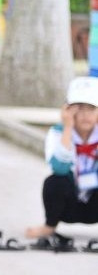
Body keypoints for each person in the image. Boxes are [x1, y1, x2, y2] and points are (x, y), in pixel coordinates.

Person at [25, 76, 98, 240]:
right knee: (54, 182)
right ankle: (49, 226)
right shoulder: (57, 133)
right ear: (68, 110)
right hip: (68, 205)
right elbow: (59, 168)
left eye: (91, 109)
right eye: (79, 109)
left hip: (94, 205)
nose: (85, 115)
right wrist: (68, 128)